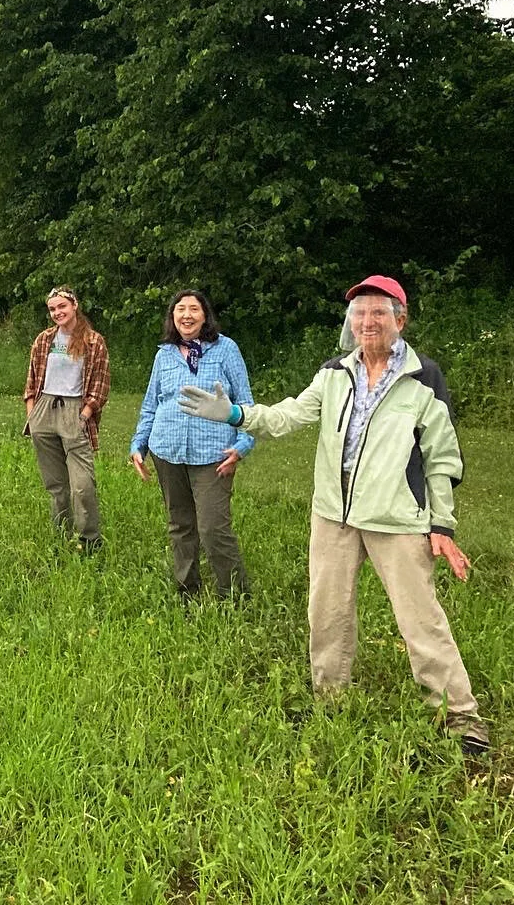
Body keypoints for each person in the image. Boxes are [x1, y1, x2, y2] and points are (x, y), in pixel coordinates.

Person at [179, 275, 489, 753]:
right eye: (359, 313)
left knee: (420, 620)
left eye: (379, 313)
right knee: (326, 614)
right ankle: (329, 699)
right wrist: (237, 415)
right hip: (334, 516)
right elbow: (289, 416)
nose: (368, 321)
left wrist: (441, 523)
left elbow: (443, 458)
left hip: (397, 519)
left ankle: (461, 718)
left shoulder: (423, 377)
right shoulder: (334, 373)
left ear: (399, 321)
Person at [130, 289, 256, 601]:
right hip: (167, 450)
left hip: (214, 455)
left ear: (205, 315)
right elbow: (151, 405)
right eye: (180, 309)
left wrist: (242, 446)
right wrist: (139, 444)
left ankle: (235, 596)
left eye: (193, 309)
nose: (187, 315)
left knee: (214, 528)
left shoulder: (226, 349)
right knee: (180, 525)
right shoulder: (165, 355)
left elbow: (246, 403)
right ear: (173, 317)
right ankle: (187, 591)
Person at [23, 286, 111, 554]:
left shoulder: (94, 341)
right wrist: (32, 415)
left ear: (74, 306)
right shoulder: (44, 340)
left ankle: (89, 540)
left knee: (82, 485)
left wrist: (85, 415)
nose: (57, 312)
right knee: (55, 483)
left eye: (62, 306)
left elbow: (101, 384)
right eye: (52, 309)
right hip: (45, 409)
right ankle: (61, 535)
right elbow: (32, 379)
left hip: (75, 410)